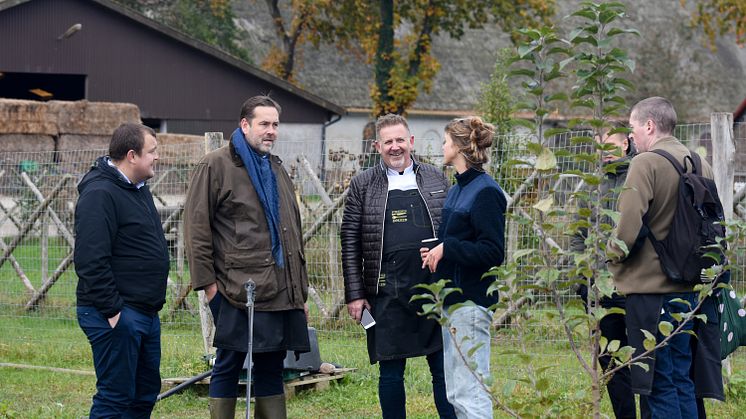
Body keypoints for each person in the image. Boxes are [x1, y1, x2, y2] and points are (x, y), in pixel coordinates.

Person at [184, 95, 310, 419]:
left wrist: (299, 291)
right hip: (237, 290)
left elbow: (290, 231)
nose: (271, 131)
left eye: (275, 125)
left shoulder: (276, 169)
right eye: (264, 124)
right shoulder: (215, 165)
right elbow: (196, 231)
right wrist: (209, 289)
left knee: (272, 363)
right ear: (245, 124)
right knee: (229, 363)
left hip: (281, 289)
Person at [607, 97, 724, 418]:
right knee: (682, 378)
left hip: (651, 291)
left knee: (657, 383)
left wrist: (608, 262)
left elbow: (626, 227)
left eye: (632, 128)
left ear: (649, 125)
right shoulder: (700, 163)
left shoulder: (645, 163)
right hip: (691, 290)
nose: (631, 137)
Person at [341, 113, 456, 418]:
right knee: (390, 373)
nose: (395, 147)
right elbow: (349, 241)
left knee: (443, 369)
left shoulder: (435, 178)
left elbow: (452, 232)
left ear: (411, 142)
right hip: (385, 293)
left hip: (434, 290)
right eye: (388, 141)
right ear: (377, 146)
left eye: (400, 140)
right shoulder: (363, 184)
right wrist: (354, 294)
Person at [74, 122, 170, 418]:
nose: (157, 157)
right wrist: (114, 312)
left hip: (144, 312)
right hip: (116, 313)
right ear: (132, 155)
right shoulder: (100, 194)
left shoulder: (139, 189)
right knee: (116, 398)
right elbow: (90, 259)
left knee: (143, 394)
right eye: (152, 151)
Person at [421, 116, 507, 419]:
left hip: (471, 303)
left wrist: (449, 248)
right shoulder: (459, 188)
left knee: (472, 390)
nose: (442, 147)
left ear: (458, 146)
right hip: (452, 302)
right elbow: (458, 240)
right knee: (456, 391)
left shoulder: (486, 191)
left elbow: (494, 251)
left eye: (445, 141)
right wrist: (436, 250)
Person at [571, 122, 638, 418]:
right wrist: (582, 278)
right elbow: (577, 235)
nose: (604, 147)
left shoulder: (639, 175)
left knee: (646, 358)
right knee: (610, 362)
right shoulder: (592, 184)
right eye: (600, 140)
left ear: (626, 143)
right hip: (600, 290)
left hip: (636, 286)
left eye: (610, 141)